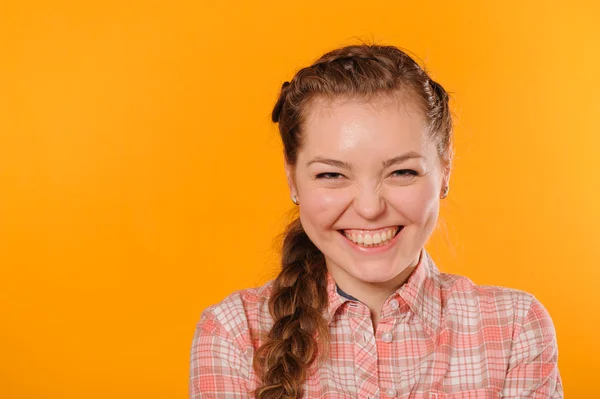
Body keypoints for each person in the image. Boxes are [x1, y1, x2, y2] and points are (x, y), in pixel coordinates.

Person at [189, 44, 563, 399]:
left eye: (401, 172)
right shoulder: (234, 333)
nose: (369, 209)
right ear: (292, 179)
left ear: (445, 170)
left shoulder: (514, 328)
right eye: (332, 175)